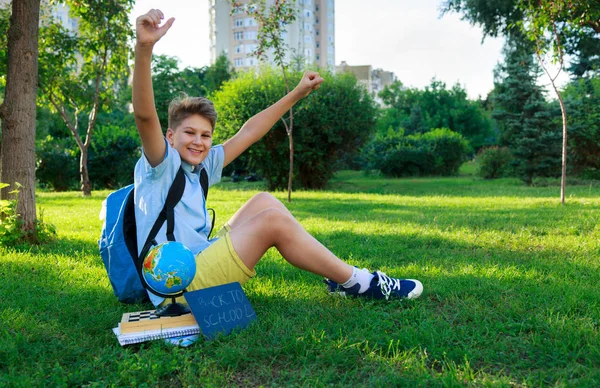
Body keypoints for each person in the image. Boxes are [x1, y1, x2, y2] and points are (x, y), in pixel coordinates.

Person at [133, 9, 423, 308]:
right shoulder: (162, 165)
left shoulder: (202, 165)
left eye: (205, 135)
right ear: (170, 136)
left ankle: (338, 277)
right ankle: (361, 283)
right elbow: (144, 116)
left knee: (263, 202)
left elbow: (249, 132)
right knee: (272, 221)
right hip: (176, 285)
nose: (198, 141)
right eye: (189, 133)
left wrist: (297, 93)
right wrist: (144, 49)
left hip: (197, 260)